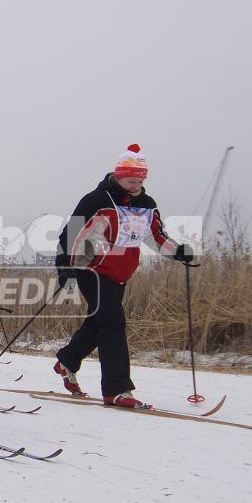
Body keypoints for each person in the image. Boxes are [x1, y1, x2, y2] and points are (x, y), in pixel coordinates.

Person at [53, 145, 193, 408]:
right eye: (131, 180)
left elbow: (156, 237)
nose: (136, 185)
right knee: (113, 322)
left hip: (120, 272)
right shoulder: (97, 199)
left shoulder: (146, 205)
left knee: (99, 323)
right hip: (90, 269)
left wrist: (179, 253)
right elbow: (69, 234)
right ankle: (117, 390)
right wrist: (64, 269)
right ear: (118, 176)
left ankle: (67, 361)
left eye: (140, 181)